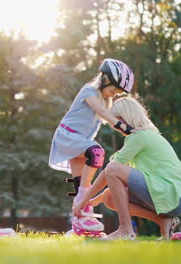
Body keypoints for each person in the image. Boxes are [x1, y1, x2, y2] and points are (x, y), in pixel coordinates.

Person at [73, 97, 181, 240]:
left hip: (172, 195)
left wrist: (84, 200)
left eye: (115, 122)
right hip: (175, 198)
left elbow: (110, 170)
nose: (114, 126)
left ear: (125, 118)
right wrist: (96, 199)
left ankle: (125, 230)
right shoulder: (146, 135)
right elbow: (112, 176)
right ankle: (163, 221)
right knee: (109, 197)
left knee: (113, 169)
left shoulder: (140, 137)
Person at [49, 58, 135, 235]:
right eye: (113, 89)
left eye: (117, 93)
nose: (114, 94)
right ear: (104, 79)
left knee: (82, 183)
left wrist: (131, 129)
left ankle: (80, 222)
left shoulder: (105, 101)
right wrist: (125, 128)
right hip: (68, 135)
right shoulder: (88, 91)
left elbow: (111, 118)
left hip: (79, 141)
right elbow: (103, 114)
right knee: (96, 153)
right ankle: (82, 202)